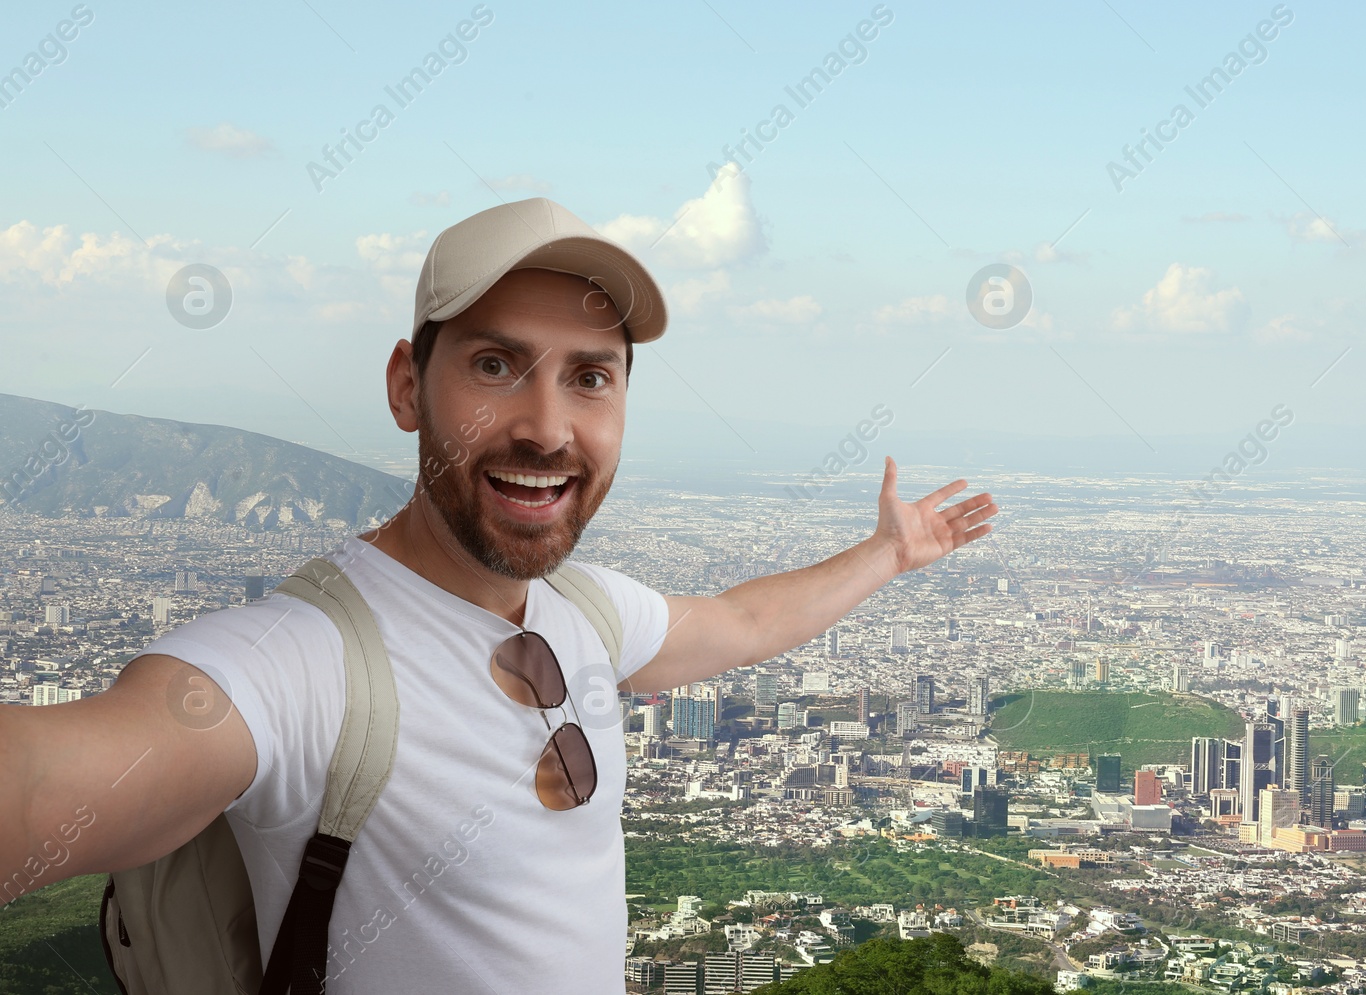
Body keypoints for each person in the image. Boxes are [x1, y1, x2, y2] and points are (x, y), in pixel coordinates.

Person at [0, 196, 998, 991]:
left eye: (590, 378)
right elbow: (44, 786)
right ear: (405, 385)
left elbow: (737, 622)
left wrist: (887, 553)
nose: (548, 427)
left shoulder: (587, 611)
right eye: (493, 364)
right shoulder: (304, 662)